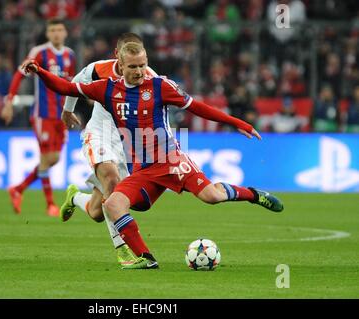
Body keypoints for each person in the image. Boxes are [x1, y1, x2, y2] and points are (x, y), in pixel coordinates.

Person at [22, 42, 284, 269]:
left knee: (211, 196)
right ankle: (146, 259)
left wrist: (236, 122)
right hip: (143, 170)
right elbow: (65, 88)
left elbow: (199, 107)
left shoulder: (160, 86)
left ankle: (253, 194)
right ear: (120, 65)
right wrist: (40, 72)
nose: (139, 72)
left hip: (171, 161)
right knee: (112, 205)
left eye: (142, 65)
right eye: (133, 67)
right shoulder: (106, 89)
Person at [59, 33, 159, 268]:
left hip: (126, 146)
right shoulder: (98, 69)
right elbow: (75, 84)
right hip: (99, 135)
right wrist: (67, 111)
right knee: (112, 182)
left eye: (139, 61)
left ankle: (74, 196)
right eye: (129, 59)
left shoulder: (149, 78)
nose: (136, 67)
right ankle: (122, 250)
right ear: (118, 56)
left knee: (96, 211)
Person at [1, 18, 76, 217]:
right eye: (53, 30)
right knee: (46, 158)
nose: (57, 33)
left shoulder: (70, 55)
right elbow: (19, 75)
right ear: (48, 33)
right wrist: (9, 101)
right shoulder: (39, 53)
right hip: (43, 114)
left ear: (66, 33)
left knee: (54, 159)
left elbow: (72, 85)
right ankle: (50, 204)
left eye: (60, 29)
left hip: (62, 115)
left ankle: (18, 188)